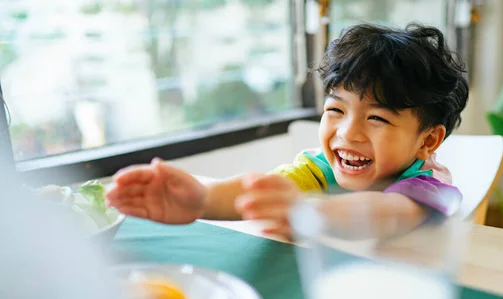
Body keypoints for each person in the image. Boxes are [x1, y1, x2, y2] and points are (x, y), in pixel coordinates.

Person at [106, 23, 468, 239]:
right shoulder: (320, 170)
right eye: (336, 110)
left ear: (428, 140)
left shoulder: (430, 189)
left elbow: (386, 212)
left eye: (377, 118)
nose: (348, 133)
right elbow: (255, 193)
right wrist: (202, 198)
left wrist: (309, 215)